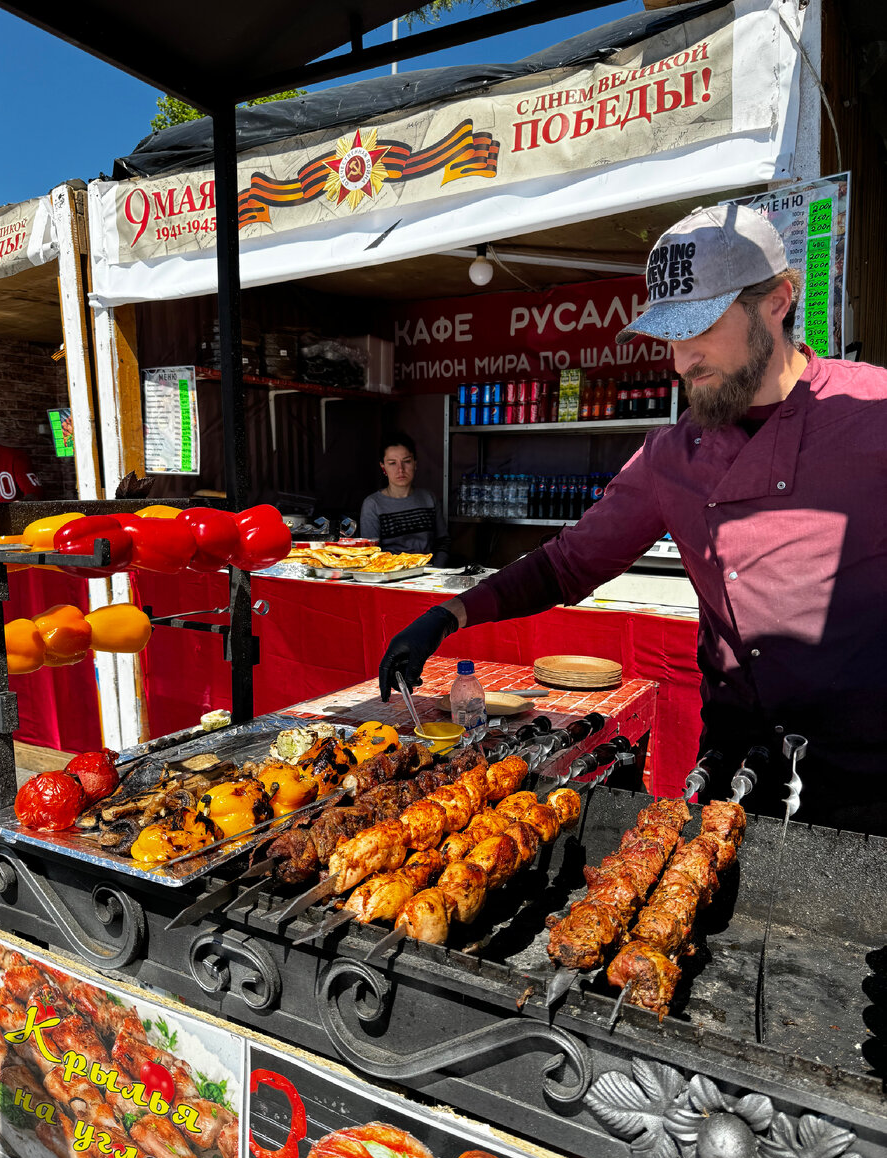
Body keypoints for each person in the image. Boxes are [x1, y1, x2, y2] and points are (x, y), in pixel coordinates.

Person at [378, 204, 887, 835]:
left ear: (778, 302)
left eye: (700, 327)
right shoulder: (672, 454)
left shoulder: (873, 413)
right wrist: (447, 615)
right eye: (670, 334)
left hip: (870, 778)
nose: (681, 360)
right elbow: (568, 563)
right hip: (738, 770)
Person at [360, 433, 451, 568]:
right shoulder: (373, 504)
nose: (400, 469)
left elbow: (443, 542)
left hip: (430, 575)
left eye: (406, 461)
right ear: (383, 467)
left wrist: (436, 570)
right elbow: (370, 552)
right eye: (392, 463)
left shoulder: (429, 499)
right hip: (390, 576)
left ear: (415, 463)